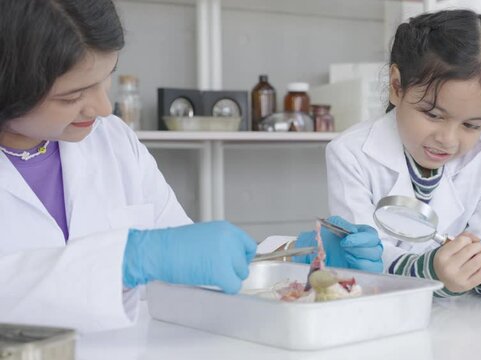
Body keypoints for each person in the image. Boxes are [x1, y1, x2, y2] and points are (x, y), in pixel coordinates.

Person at [0, 0, 382, 333]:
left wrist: (292, 258)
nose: (103, 108)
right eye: (72, 96)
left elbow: (189, 268)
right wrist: (128, 259)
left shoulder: (112, 140)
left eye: (106, 79)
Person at [326, 10, 481, 297]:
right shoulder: (350, 154)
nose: (448, 139)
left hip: (468, 326)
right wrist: (429, 271)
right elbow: (363, 263)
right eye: (432, 115)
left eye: (472, 124)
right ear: (397, 86)